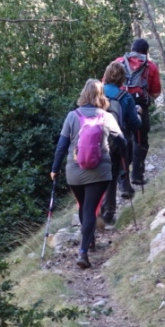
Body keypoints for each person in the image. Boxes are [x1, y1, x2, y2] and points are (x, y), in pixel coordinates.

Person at [51, 79, 127, 269]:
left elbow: (61, 147)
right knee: (90, 208)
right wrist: (122, 156)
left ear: (83, 94)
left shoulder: (72, 116)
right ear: (101, 96)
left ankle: (89, 239)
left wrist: (54, 169)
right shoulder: (106, 116)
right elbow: (122, 141)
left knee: (84, 205)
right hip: (100, 171)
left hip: (74, 171)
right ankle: (83, 251)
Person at [113, 38, 161, 186]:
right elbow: (155, 92)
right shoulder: (150, 66)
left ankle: (122, 180)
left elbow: (105, 83)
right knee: (140, 141)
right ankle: (137, 176)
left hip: (119, 106)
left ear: (132, 49)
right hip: (140, 106)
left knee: (122, 142)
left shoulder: (118, 62)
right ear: (146, 52)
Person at [100, 61, 142, 224]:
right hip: (117, 142)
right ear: (122, 78)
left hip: (94, 141)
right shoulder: (125, 97)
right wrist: (138, 113)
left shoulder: (95, 93)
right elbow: (135, 125)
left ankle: (92, 211)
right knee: (111, 176)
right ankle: (108, 212)